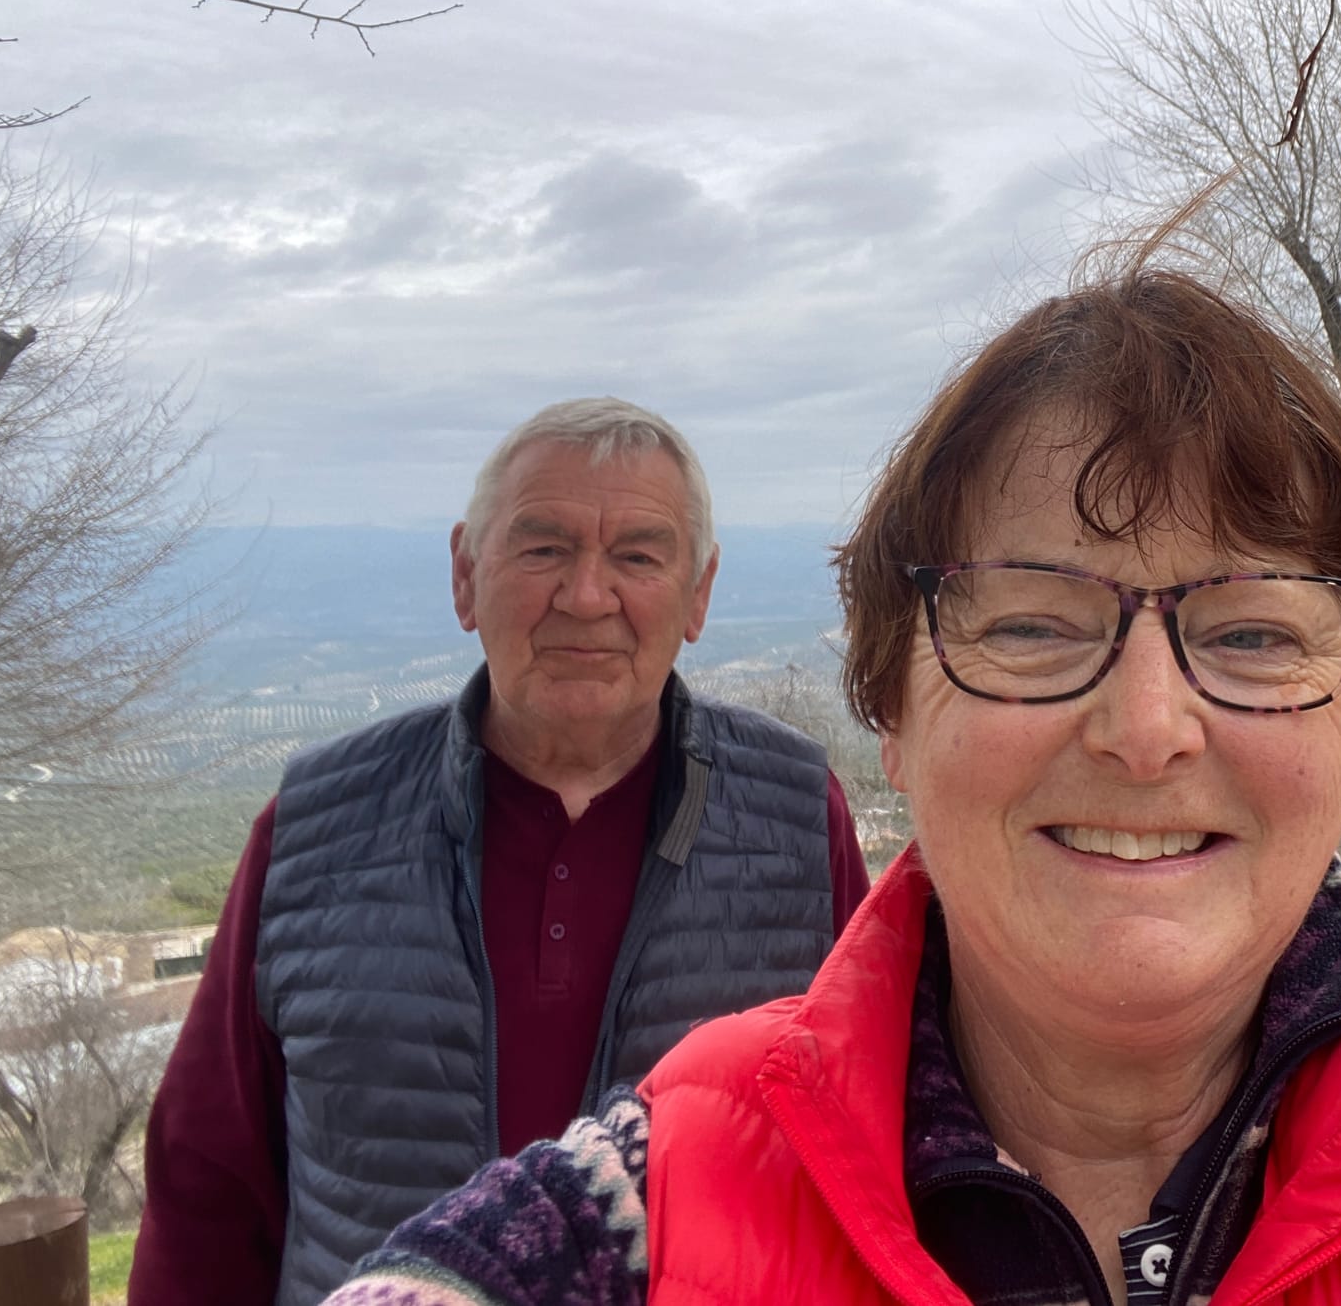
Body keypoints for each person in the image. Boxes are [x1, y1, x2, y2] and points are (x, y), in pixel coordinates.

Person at [317, 276, 1341, 1306]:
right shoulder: (645, 1209)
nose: (1146, 729)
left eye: (1253, 635)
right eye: (1030, 624)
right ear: (892, 710)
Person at [130, 398, 870, 1306]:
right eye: (543, 548)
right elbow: (203, 1191)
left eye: (638, 556)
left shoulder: (797, 818)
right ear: (465, 576)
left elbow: (870, 1153)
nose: (587, 596)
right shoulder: (312, 828)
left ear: (699, 594)